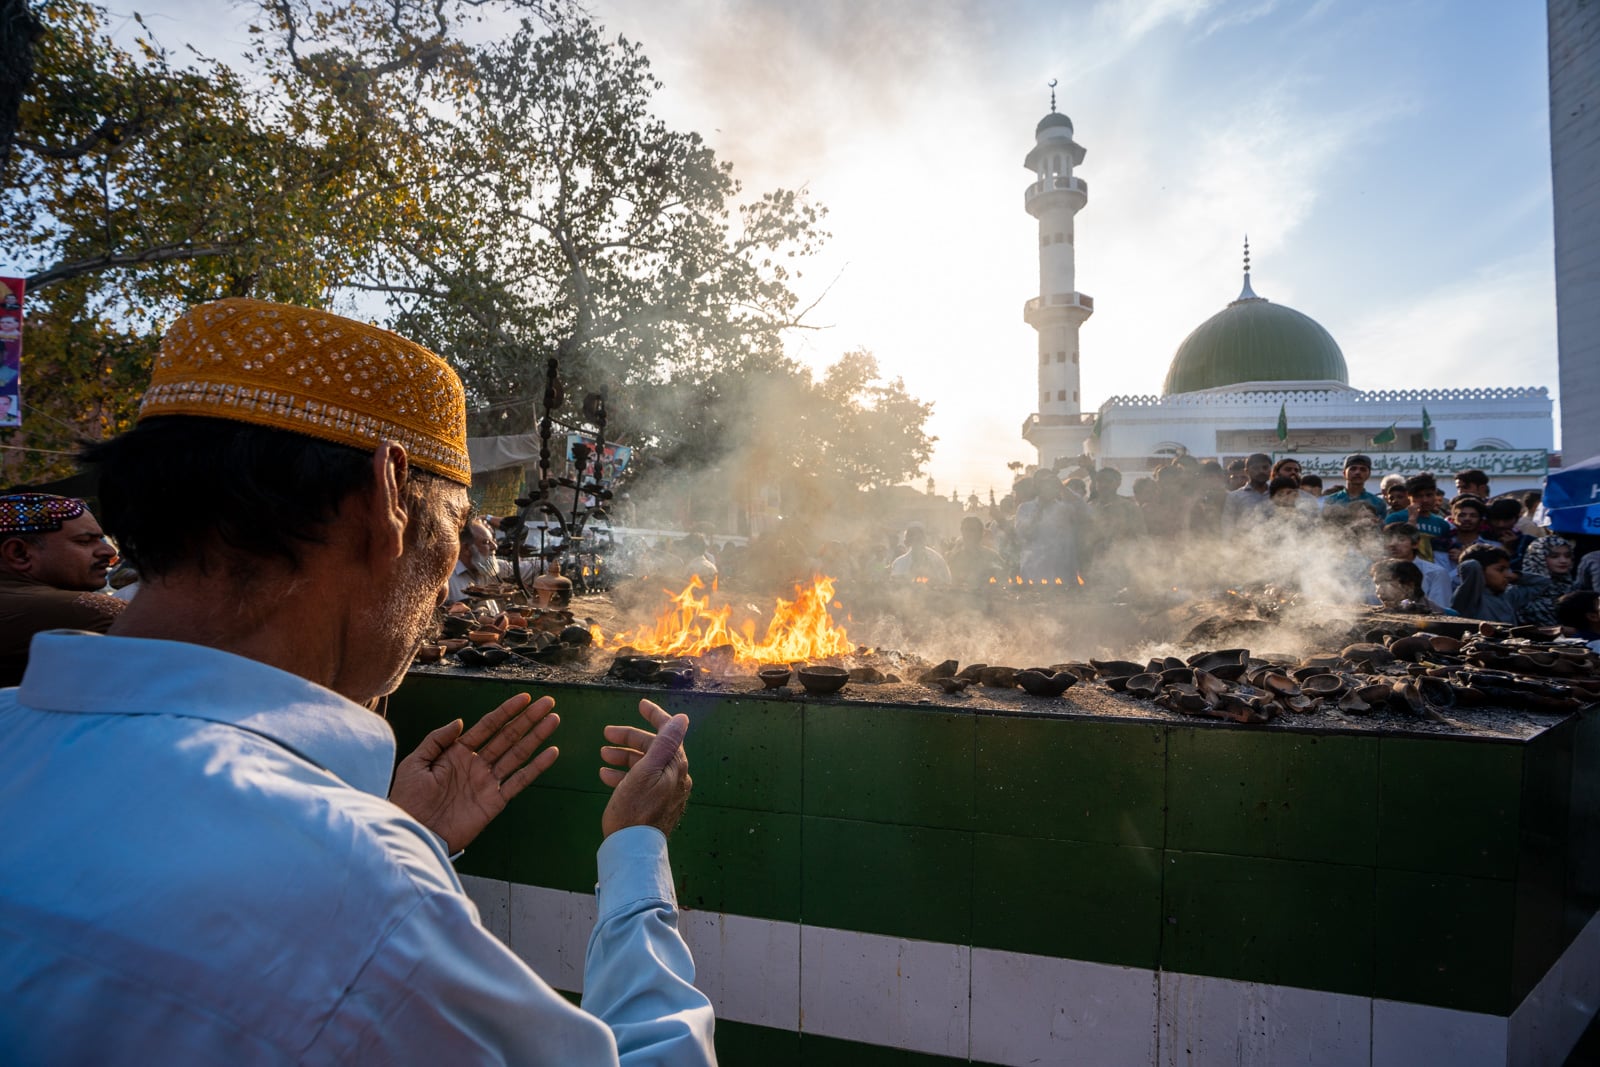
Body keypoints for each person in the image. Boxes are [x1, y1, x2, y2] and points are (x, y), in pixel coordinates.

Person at [0, 299, 714, 1063]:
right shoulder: (366, 907)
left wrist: (415, 838)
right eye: (456, 525)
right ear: (387, 496)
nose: (446, 586)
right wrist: (638, 852)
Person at [0, 492, 124, 686]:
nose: (108, 551)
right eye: (84, 541)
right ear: (19, 553)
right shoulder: (81, 610)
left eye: (100, 539)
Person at [1015, 469, 1087, 581]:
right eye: (1042, 483)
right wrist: (1039, 510)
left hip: (1062, 571)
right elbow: (1025, 534)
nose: (1046, 487)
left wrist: (1062, 487)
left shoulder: (1065, 508)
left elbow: (1084, 510)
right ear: (1036, 487)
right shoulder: (1025, 508)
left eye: (1050, 483)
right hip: (1034, 571)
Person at [1451, 543, 1548, 623]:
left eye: (1507, 569)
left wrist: (1516, 576)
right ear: (1480, 571)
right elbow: (1471, 565)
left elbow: (1543, 582)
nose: (1507, 575)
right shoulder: (1469, 596)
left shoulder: (1508, 595)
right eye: (1500, 570)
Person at [1382, 523, 1453, 609]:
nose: (1392, 544)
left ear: (1415, 544)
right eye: (1388, 539)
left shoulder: (1436, 573)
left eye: (1401, 539)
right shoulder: (1377, 571)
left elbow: (1440, 609)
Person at [1516, 535, 1577, 627]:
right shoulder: (1523, 590)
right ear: (1538, 557)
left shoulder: (1572, 588)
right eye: (1554, 556)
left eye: (1567, 556)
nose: (1563, 560)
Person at [447, 517, 501, 602]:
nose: (494, 546)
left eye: (493, 541)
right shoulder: (447, 580)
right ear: (467, 548)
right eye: (486, 542)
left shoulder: (489, 566)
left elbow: (527, 570)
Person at [946, 515, 1007, 588]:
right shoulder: (955, 559)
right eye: (965, 529)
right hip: (962, 597)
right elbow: (950, 583)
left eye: (972, 530)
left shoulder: (992, 557)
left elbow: (1004, 581)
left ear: (981, 533)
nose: (968, 534)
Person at [1372, 559, 1449, 614]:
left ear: (1409, 586)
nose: (1379, 591)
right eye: (1377, 584)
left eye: (1388, 583)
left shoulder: (1437, 613)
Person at [1222, 452, 1273, 532]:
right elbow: (1228, 525)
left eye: (1265, 468)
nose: (1261, 471)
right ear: (1247, 471)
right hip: (1245, 542)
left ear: (1271, 470)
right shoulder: (1234, 497)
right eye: (1255, 468)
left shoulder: (1278, 493)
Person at [1320, 454, 1385, 514]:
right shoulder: (1331, 500)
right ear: (1344, 473)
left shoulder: (1377, 503)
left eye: (1363, 469)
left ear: (1369, 474)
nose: (1357, 472)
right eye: (1353, 469)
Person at [1484, 497, 1533, 569]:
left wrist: (1512, 549)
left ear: (1516, 519)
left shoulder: (1527, 542)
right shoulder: (1481, 539)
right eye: (1496, 520)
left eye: (1506, 520)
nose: (1501, 525)